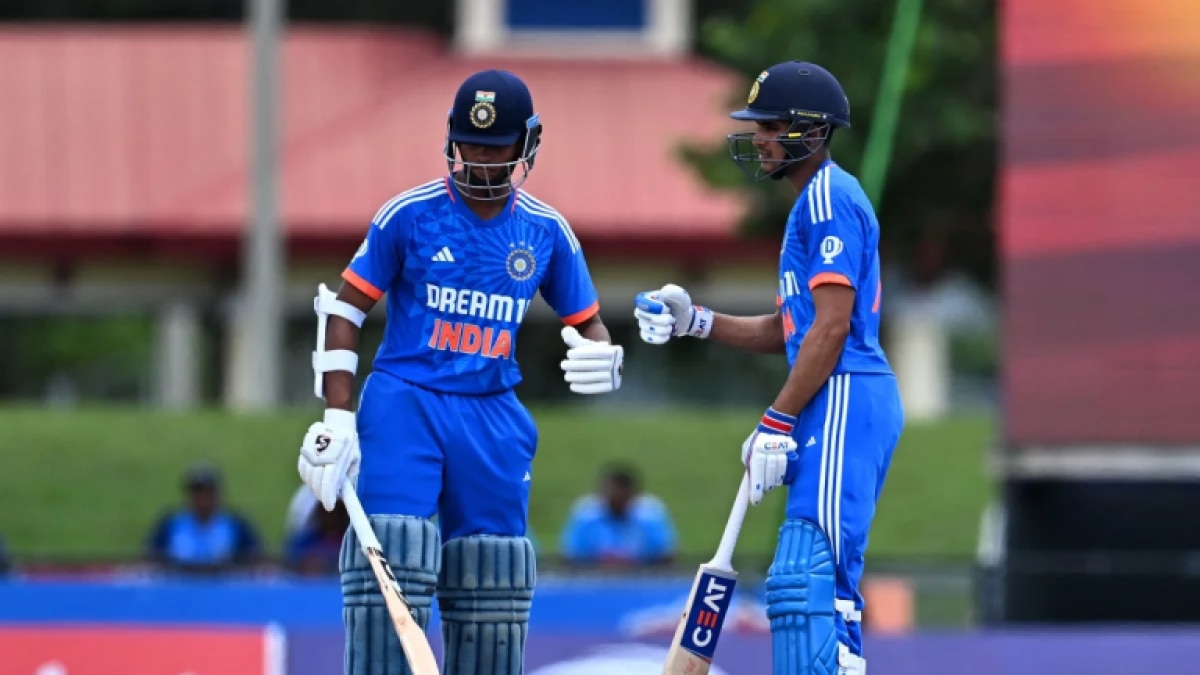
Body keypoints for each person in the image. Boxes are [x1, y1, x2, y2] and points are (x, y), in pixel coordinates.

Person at [297, 69, 624, 675]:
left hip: (493, 411)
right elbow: (345, 309)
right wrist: (337, 420)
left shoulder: (546, 231)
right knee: (391, 556)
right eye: (469, 144)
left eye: (496, 147)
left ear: (526, 145)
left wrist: (603, 353)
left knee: (491, 578)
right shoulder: (410, 214)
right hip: (405, 400)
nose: (480, 160)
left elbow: (589, 322)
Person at [634, 61, 904, 675]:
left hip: (844, 395)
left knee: (814, 580)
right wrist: (695, 321)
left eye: (771, 124)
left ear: (810, 130)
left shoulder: (831, 197)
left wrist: (778, 416)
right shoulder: (809, 203)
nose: (758, 137)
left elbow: (834, 328)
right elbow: (795, 330)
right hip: (828, 393)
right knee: (796, 583)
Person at [145, 462, 262, 575]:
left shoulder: (237, 524)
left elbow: (255, 560)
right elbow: (151, 559)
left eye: (208, 492)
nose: (203, 498)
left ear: (218, 494)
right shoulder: (170, 524)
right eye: (198, 492)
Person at [560, 464, 677, 568]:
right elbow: (570, 556)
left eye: (620, 495)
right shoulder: (585, 515)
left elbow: (666, 556)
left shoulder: (651, 516)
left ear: (633, 494)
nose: (613, 498)